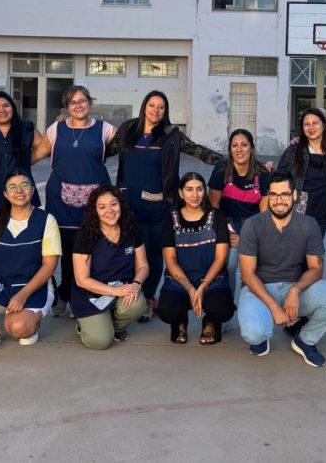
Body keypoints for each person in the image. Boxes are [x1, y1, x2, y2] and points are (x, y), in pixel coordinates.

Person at [110, 91, 222, 323]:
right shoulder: (127, 130)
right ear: (144, 107)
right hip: (126, 205)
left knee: (152, 253)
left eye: (161, 107)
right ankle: (125, 298)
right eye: (152, 105)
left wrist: (237, 159)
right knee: (128, 254)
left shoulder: (171, 135)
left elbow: (200, 152)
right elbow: (102, 149)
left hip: (157, 207)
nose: (156, 110)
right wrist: (68, 127)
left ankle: (149, 298)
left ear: (165, 111)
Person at [238, 171, 326, 368]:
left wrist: (296, 290)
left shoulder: (308, 225)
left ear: (295, 195)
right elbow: (248, 274)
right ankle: (261, 336)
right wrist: (274, 308)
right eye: (273, 195)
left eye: (284, 194)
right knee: (253, 333)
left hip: (294, 286)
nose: (279, 200)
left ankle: (305, 340)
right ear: (268, 196)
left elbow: (316, 269)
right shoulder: (252, 225)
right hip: (260, 289)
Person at [0, 170, 61, 353]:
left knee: (18, 329)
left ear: (32, 190)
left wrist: (22, 295)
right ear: (6, 194)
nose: (19, 191)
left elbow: (49, 266)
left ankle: (31, 321)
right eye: (12, 187)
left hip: (32, 284)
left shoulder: (46, 220)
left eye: (24, 185)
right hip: (0, 281)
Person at [45, 85, 117, 318]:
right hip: (61, 200)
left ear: (90, 103)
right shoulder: (56, 129)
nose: (78, 105)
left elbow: (132, 146)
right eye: (72, 102)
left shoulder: (105, 129)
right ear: (66, 107)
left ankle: (82, 297)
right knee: (65, 251)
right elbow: (33, 153)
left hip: (95, 203)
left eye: (82, 101)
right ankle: (64, 296)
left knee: (91, 250)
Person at [156, 172, 235, 345]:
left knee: (223, 308)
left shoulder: (217, 217)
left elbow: (220, 258)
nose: (195, 194)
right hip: (180, 282)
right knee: (168, 310)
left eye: (199, 189)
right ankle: (180, 322)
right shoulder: (171, 220)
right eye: (189, 189)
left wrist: (203, 286)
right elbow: (170, 261)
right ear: (180, 193)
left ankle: (211, 322)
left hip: (211, 280)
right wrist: (191, 289)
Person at [70, 185, 149, 349]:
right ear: (95, 211)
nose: (110, 210)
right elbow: (82, 280)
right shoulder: (86, 235)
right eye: (102, 207)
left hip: (121, 290)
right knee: (101, 342)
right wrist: (116, 291)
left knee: (138, 304)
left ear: (120, 204)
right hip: (91, 295)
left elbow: (143, 266)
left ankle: (110, 326)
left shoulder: (131, 228)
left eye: (114, 204)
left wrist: (136, 284)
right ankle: (87, 326)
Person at [208, 129, 270, 310]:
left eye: (244, 145)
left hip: (253, 226)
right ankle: (226, 310)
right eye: (234, 145)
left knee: (249, 269)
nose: (239, 149)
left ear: (251, 148)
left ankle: (247, 310)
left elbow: (264, 214)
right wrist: (226, 234)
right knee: (229, 263)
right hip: (226, 223)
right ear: (229, 149)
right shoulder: (221, 170)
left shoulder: (263, 174)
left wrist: (248, 239)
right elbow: (214, 208)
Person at [0, 91, 49, 220]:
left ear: (13, 107)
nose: (2, 110)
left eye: (6, 105)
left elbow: (45, 147)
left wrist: (25, 160)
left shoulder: (26, 128)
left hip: (22, 194)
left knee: (24, 236)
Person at [277, 107, 326, 237]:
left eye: (315, 123)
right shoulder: (294, 150)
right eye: (306, 124)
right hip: (299, 211)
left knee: (315, 251)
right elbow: (280, 177)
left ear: (323, 125)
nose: (311, 127)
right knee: (296, 252)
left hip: (324, 209)